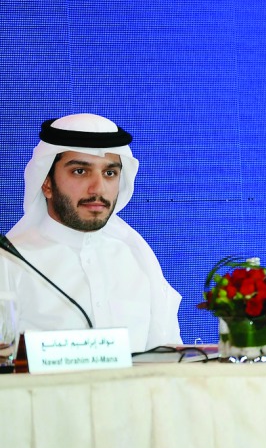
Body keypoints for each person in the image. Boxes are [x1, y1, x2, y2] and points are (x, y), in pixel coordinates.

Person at [1, 114, 181, 351]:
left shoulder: (139, 259)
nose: (98, 188)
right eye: (80, 171)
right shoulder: (10, 262)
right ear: (46, 183)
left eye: (110, 173)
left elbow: (168, 359)